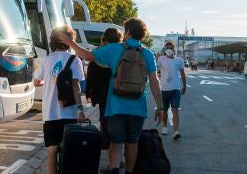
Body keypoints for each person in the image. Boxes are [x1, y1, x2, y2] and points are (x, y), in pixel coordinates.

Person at [58, 17, 163, 174]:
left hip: (116, 106)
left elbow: (87, 56)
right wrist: (160, 107)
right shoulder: (148, 53)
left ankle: (114, 170)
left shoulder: (115, 48)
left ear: (127, 32)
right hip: (138, 106)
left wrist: (70, 43)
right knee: (132, 142)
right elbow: (154, 82)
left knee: (116, 141)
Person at [34, 25, 85, 174]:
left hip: (50, 112)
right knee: (70, 147)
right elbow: (76, 87)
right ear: (70, 40)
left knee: (51, 148)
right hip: (70, 112)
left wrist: (49, 81)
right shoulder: (74, 60)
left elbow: (36, 82)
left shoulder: (47, 60)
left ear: (52, 41)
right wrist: (80, 111)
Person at [85, 27, 123, 173]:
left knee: (106, 131)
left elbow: (91, 76)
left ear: (104, 39)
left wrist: (89, 93)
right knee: (119, 129)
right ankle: (118, 160)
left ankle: (111, 164)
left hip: (104, 99)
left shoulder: (98, 54)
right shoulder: (122, 52)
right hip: (121, 97)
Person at [157, 42, 186, 140]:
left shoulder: (179, 60)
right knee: (164, 110)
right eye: (167, 48)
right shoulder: (161, 59)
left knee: (175, 110)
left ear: (174, 49)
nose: (169, 49)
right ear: (165, 49)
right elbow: (155, 69)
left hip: (175, 89)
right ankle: (164, 127)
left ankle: (176, 131)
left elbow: (182, 74)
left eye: (171, 48)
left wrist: (184, 86)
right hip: (164, 89)